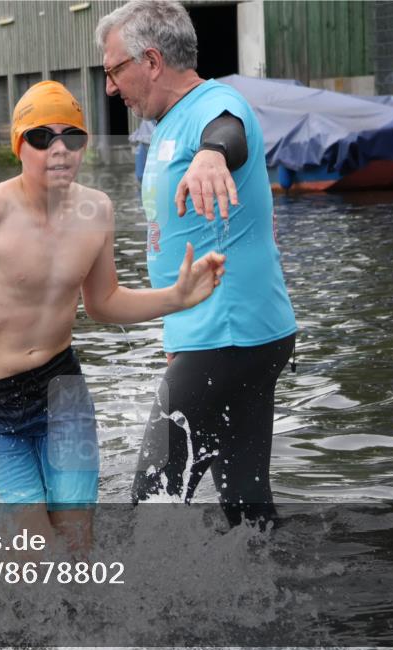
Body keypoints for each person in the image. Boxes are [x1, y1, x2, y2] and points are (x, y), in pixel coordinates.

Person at [0, 80, 225, 554]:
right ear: (20, 146)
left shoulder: (96, 210)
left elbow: (103, 303)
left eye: (73, 137)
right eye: (43, 138)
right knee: (39, 550)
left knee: (77, 544)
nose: (60, 150)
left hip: (63, 391)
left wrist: (177, 297)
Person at [96, 0, 298, 527]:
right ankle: (275, 596)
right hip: (223, 336)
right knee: (245, 502)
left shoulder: (216, 104)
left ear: (153, 61)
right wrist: (176, 342)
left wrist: (212, 155)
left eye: (115, 69)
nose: (111, 87)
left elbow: (227, 131)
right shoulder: (166, 124)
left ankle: (137, 606)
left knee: (152, 502)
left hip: (229, 336)